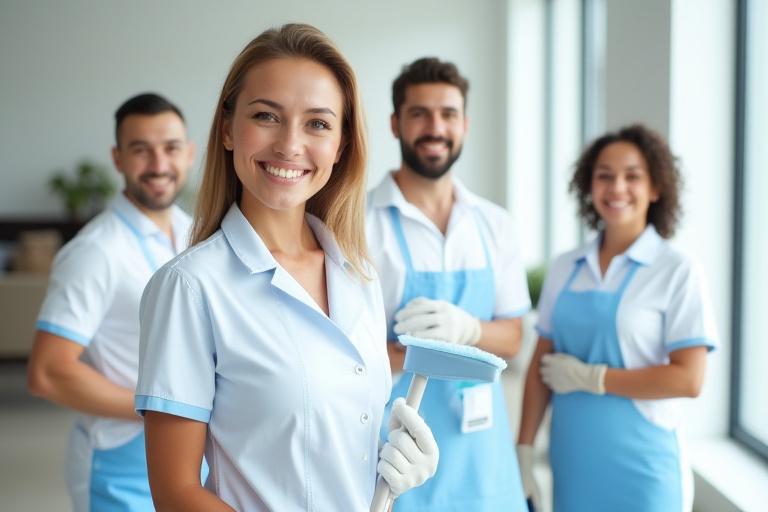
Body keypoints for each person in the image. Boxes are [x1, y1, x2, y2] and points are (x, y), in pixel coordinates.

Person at [134, 24, 439, 511]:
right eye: (266, 116)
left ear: (340, 146)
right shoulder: (190, 287)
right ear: (229, 129)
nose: (289, 145)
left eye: (317, 123)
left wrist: (396, 467)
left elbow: (331, 439)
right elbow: (176, 494)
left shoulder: (358, 275)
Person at [517, 124, 718, 512]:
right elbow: (539, 366)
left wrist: (594, 378)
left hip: (644, 471)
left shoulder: (676, 270)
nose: (616, 188)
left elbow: (689, 379)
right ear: (588, 187)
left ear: (656, 188)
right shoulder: (566, 267)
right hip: (573, 462)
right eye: (604, 176)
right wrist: (524, 449)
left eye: (632, 176)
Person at [366, 57, 531, 511]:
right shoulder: (360, 225)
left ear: (465, 124)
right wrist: (418, 354)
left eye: (448, 114)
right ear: (395, 123)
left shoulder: (494, 224)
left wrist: (469, 331)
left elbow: (514, 337)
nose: (435, 127)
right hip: (394, 449)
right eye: (419, 113)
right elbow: (344, 355)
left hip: (483, 457)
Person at [26, 93, 196, 511]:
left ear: (189, 154)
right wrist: (162, 411)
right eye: (141, 150)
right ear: (117, 158)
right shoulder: (95, 251)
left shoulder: (195, 233)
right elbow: (48, 373)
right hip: (120, 465)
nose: (159, 165)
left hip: (191, 452)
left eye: (170, 148)